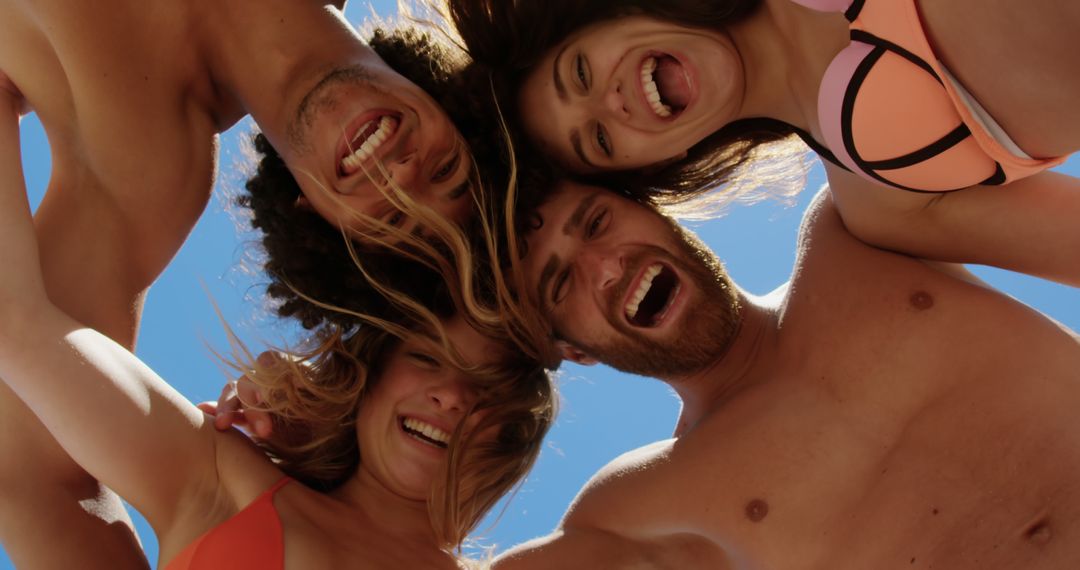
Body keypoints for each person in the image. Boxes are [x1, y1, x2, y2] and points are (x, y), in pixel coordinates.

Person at [0, 3, 502, 566]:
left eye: (389, 218)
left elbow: (31, 474)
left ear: (314, 212)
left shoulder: (142, 169)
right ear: (446, 98)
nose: (401, 174)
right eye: (445, 169)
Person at [444, 0, 1080, 288]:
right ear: (657, 162)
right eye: (601, 141)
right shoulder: (880, 203)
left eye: (580, 71)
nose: (608, 102)